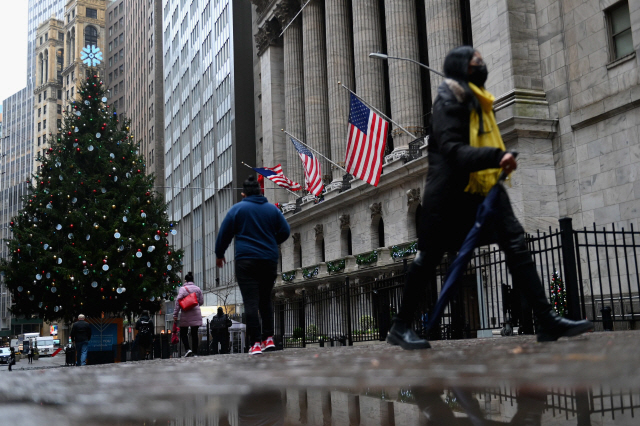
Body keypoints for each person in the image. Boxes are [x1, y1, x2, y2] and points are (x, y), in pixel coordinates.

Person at [386, 46, 593, 350]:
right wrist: (496, 156)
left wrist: (497, 160)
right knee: (428, 259)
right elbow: (453, 150)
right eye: (475, 62)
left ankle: (547, 318)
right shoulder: (448, 99)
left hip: (486, 188)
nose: (481, 65)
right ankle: (401, 327)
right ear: (460, 67)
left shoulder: (479, 100)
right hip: (450, 197)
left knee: (516, 246)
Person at [215, 175, 291, 355]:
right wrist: (272, 242)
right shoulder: (272, 210)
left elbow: (224, 234)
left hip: (246, 260)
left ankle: (255, 343)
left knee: (250, 302)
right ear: (260, 192)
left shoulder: (237, 210)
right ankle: (268, 338)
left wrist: (220, 254)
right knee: (265, 299)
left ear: (243, 194)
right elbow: (285, 231)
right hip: (268, 260)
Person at [173, 272, 203, 357]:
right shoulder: (198, 289)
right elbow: (201, 302)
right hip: (196, 313)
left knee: (183, 333)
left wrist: (175, 314)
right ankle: (195, 352)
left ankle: (188, 349)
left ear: (185, 280)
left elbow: (178, 302)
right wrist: (194, 304)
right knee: (194, 334)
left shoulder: (183, 289)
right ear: (192, 280)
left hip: (185, 313)